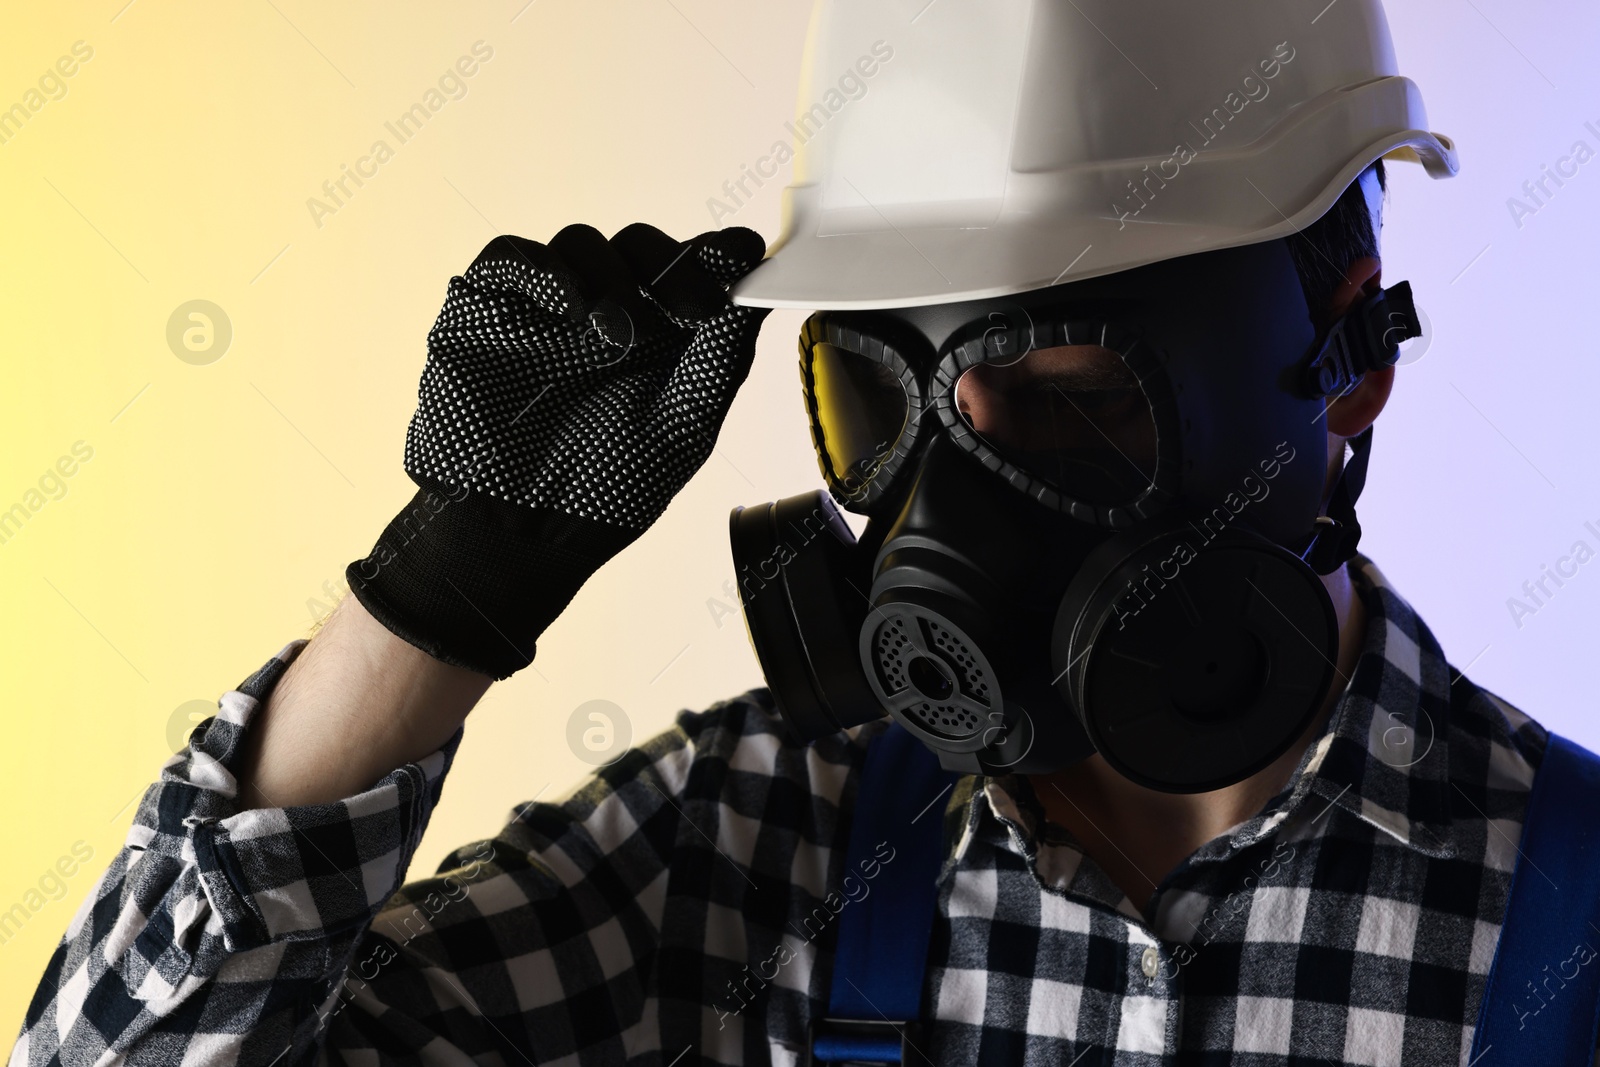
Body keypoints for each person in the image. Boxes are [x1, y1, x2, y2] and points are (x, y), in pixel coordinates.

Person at [13, 3, 1597, 1066]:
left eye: (1065, 396)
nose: (951, 512)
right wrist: (443, 597)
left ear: (1352, 359)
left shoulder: (1576, 924)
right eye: (878, 397)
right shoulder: (752, 847)